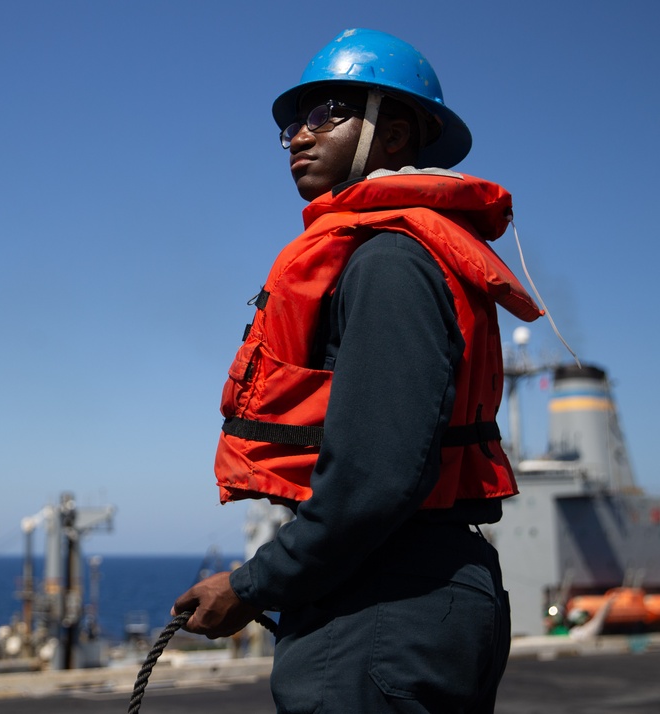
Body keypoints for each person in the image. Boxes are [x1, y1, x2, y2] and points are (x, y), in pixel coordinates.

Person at [172, 28, 543, 713]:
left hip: (386, 603)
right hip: (390, 593)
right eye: (291, 121)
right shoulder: (390, 256)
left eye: (325, 114)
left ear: (395, 134)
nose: (297, 136)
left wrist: (251, 585)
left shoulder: (388, 264)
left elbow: (375, 478)